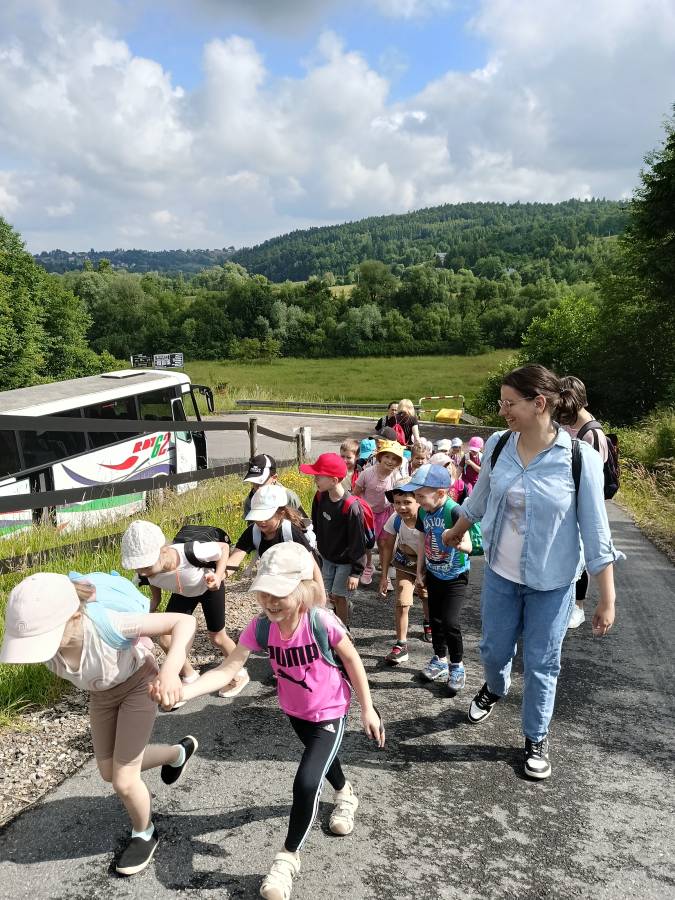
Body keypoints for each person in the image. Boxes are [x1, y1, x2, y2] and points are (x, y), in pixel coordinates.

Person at [155, 543, 385, 900]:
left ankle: (287, 860)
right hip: (294, 711)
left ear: (303, 589)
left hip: (330, 710)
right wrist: (185, 692)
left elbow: (352, 660)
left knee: (306, 781)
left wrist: (367, 708)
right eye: (265, 593)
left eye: (280, 594)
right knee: (321, 759)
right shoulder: (261, 627)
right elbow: (228, 669)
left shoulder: (320, 621)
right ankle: (345, 794)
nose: (271, 602)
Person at [443, 364, 623, 780]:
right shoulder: (498, 445)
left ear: (539, 403)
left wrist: (607, 598)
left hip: (553, 583)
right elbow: (480, 497)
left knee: (543, 663)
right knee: (493, 650)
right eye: (501, 403)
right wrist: (457, 530)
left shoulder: (579, 459)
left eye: (509, 403)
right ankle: (495, 687)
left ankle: (535, 736)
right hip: (501, 575)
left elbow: (596, 531)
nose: (502, 411)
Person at [0, 572, 198, 876]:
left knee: (124, 780)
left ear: (75, 616)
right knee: (108, 771)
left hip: (138, 685)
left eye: (44, 638)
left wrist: (170, 671)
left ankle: (144, 832)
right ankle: (177, 753)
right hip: (102, 695)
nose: (37, 649)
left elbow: (183, 622)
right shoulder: (47, 645)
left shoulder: (110, 624)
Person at [121, 521, 249, 699]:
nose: (142, 572)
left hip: (209, 589)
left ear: (163, 551)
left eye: (146, 567)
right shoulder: (145, 573)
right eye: (137, 567)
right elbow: (156, 599)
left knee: (218, 637)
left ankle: (239, 672)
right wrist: (145, 615)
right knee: (165, 639)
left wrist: (218, 577)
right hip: (182, 593)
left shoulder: (190, 551)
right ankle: (190, 676)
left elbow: (223, 548)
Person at [396, 465, 473, 697]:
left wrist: (458, 544)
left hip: (455, 575)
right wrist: (420, 569)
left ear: (440, 493)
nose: (418, 500)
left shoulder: (455, 511)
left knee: (450, 621)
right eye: (416, 495)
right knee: (435, 619)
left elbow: (469, 545)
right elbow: (422, 539)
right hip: (433, 572)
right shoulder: (423, 512)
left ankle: (457, 666)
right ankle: (439, 659)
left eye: (421, 496)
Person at [557, 375, 610, 630]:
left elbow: (593, 479)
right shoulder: (566, 424)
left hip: (582, 503)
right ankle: (566, 601)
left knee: (580, 555)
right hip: (564, 500)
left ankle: (578, 606)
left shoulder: (592, 433)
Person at [299, 453, 368, 626]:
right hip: (327, 557)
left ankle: (342, 630)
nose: (315, 479)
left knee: (339, 596)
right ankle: (327, 625)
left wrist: (356, 572)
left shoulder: (350, 507)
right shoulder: (319, 497)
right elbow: (316, 524)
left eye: (319, 476)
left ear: (334, 480)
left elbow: (358, 541)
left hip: (345, 561)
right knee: (325, 594)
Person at [225, 483, 326, 601]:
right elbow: (234, 560)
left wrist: (321, 595)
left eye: (266, 516)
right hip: (275, 580)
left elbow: (312, 563)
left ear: (281, 514)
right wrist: (219, 576)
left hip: (300, 580)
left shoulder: (291, 532)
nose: (261, 521)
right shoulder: (253, 531)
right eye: (258, 516)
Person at [378, 478, 429, 663]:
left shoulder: (427, 518)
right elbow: (387, 546)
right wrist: (384, 576)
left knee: (426, 596)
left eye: (407, 502)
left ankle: (428, 622)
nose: (401, 507)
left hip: (426, 565)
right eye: (397, 502)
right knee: (402, 601)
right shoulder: (395, 519)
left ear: (419, 500)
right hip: (404, 563)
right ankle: (401, 645)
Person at [352, 440, 404, 588]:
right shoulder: (367, 473)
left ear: (398, 462)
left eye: (395, 459)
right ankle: (368, 566)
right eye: (387, 456)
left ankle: (385, 575)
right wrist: (357, 511)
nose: (390, 461)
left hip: (386, 513)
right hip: (367, 514)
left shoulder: (395, 476)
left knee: (384, 544)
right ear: (380, 457)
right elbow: (356, 493)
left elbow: (398, 496)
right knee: (367, 544)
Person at [242, 454, 304, 520]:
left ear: (274, 478)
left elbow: (303, 523)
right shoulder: (250, 500)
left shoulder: (288, 497)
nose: (258, 488)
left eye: (261, 483)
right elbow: (251, 525)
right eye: (254, 482)